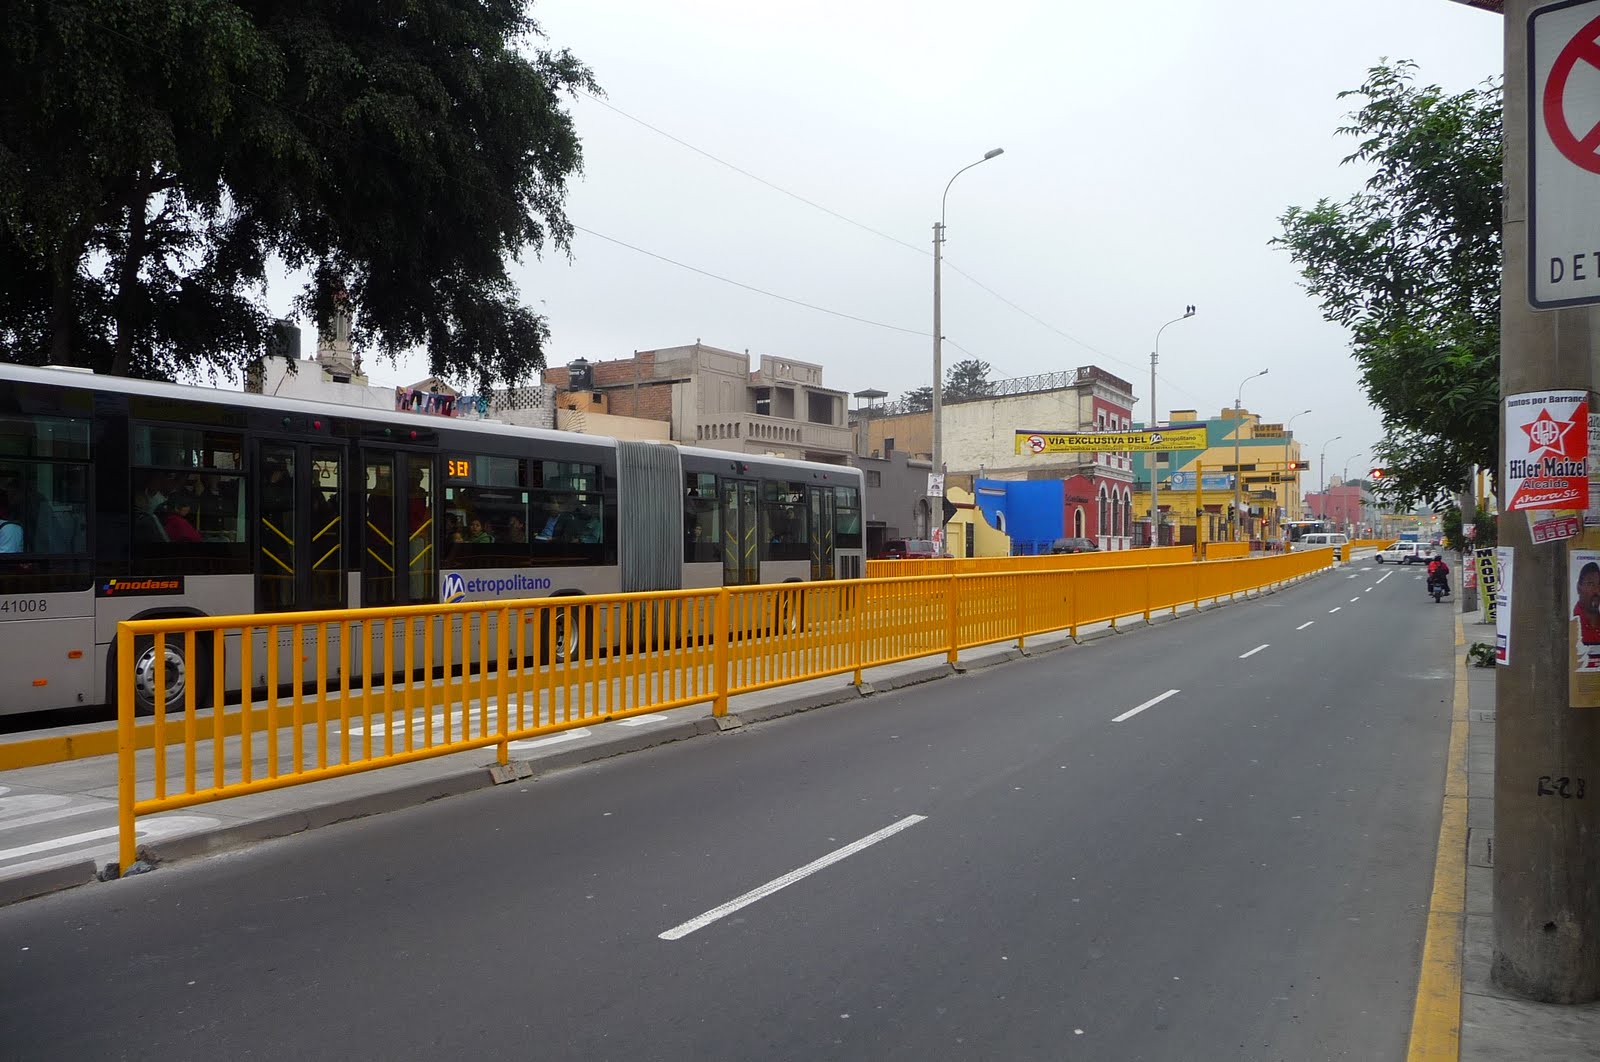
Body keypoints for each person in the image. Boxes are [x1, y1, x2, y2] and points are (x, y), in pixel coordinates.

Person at [1575, 562, 1600, 645]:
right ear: (1579, 588)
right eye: (1590, 584)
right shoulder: (1573, 623)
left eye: (1599, 585)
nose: (1596, 590)